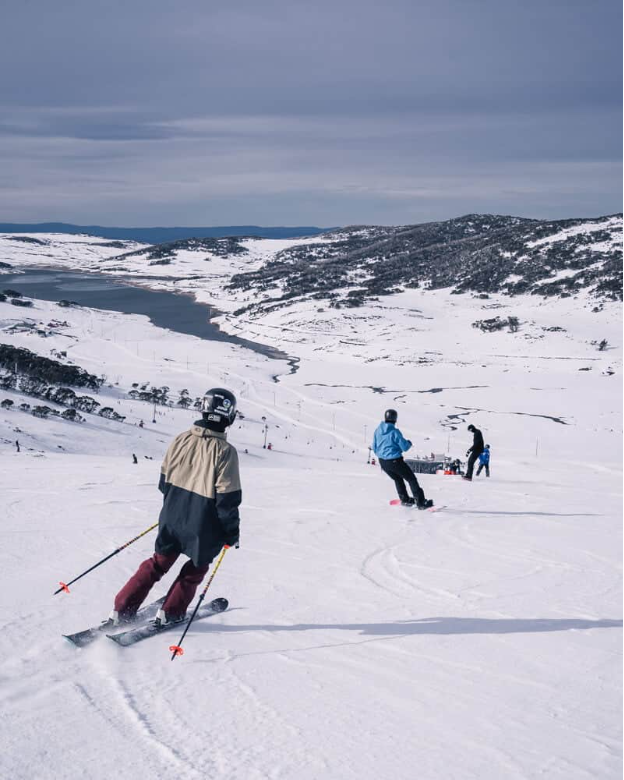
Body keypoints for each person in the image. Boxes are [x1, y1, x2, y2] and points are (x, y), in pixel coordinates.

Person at [106, 388, 242, 628]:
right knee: (196, 567)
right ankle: (171, 612)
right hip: (203, 523)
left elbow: (163, 483)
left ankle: (122, 609)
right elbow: (227, 500)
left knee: (158, 562)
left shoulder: (181, 439)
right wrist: (231, 532)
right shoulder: (225, 452)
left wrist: (176, 508)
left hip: (171, 515)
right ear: (228, 415)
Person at [372, 409, 433, 509]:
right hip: (395, 461)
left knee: (398, 479)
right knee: (411, 479)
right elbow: (405, 447)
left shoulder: (377, 430)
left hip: (383, 462)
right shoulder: (394, 432)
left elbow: (374, 447)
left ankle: (405, 499)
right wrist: (409, 443)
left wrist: (383, 454)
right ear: (395, 419)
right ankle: (421, 503)